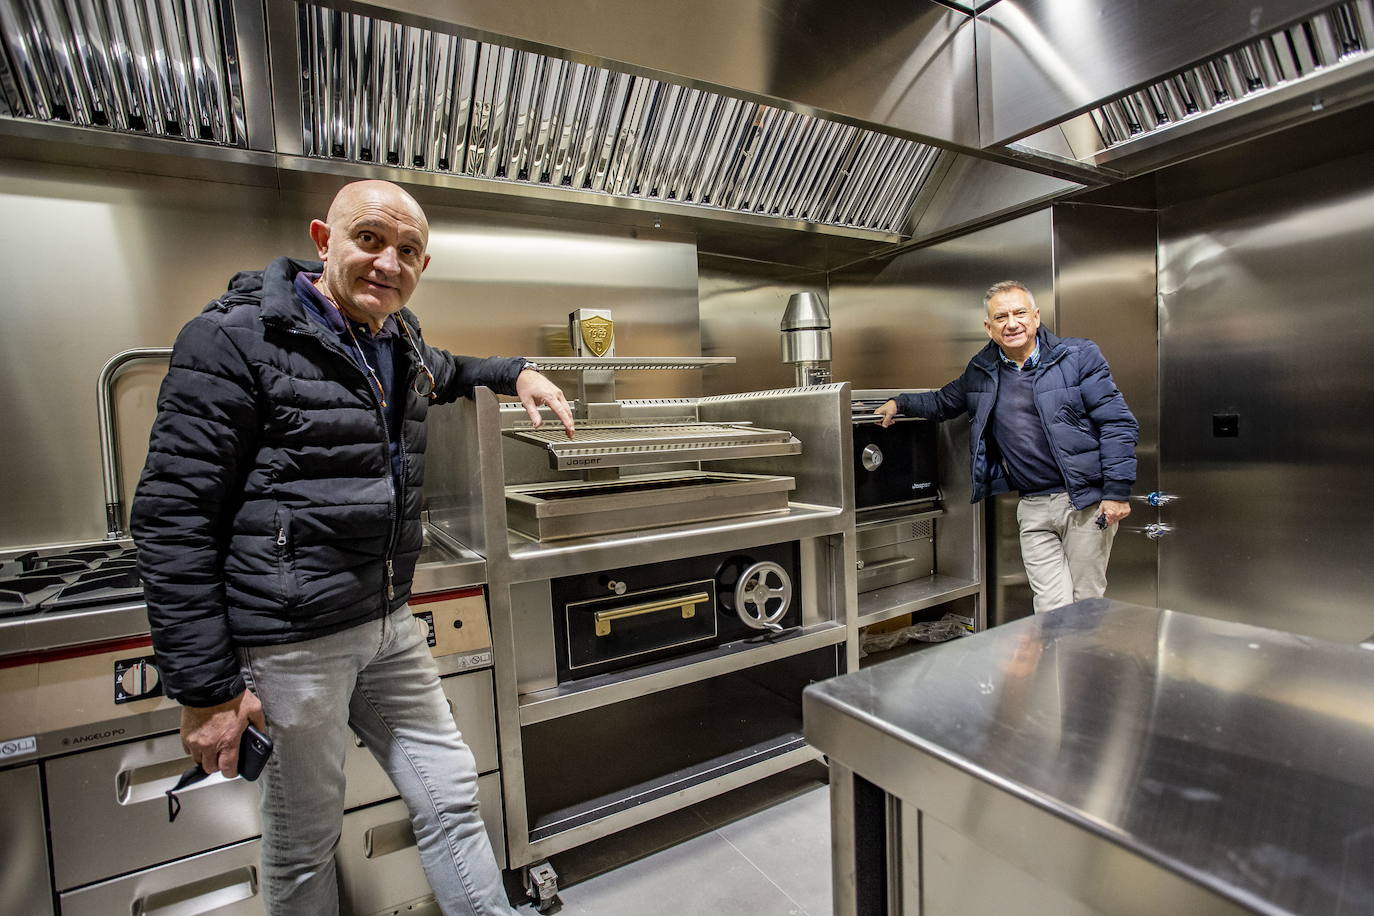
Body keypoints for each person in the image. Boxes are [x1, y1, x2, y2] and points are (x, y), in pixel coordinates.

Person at [131, 179, 575, 915]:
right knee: (304, 845)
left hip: (387, 626)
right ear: (322, 240)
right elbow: (174, 516)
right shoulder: (235, 337)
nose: (388, 263)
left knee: (452, 794)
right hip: (290, 643)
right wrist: (207, 692)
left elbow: (450, 369)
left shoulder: (394, 340)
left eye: (408, 251)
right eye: (369, 239)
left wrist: (514, 370)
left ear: (422, 266)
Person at [874, 281, 1138, 614]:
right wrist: (900, 404)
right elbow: (943, 402)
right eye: (1000, 317)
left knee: (1086, 601)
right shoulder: (982, 371)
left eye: (1019, 313)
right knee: (1050, 606)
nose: (1011, 323)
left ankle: (1086, 666)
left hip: (1084, 502)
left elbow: (1117, 423)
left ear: (1036, 317)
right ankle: (1059, 665)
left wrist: (1116, 491)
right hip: (1033, 506)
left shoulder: (1079, 356)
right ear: (989, 327)